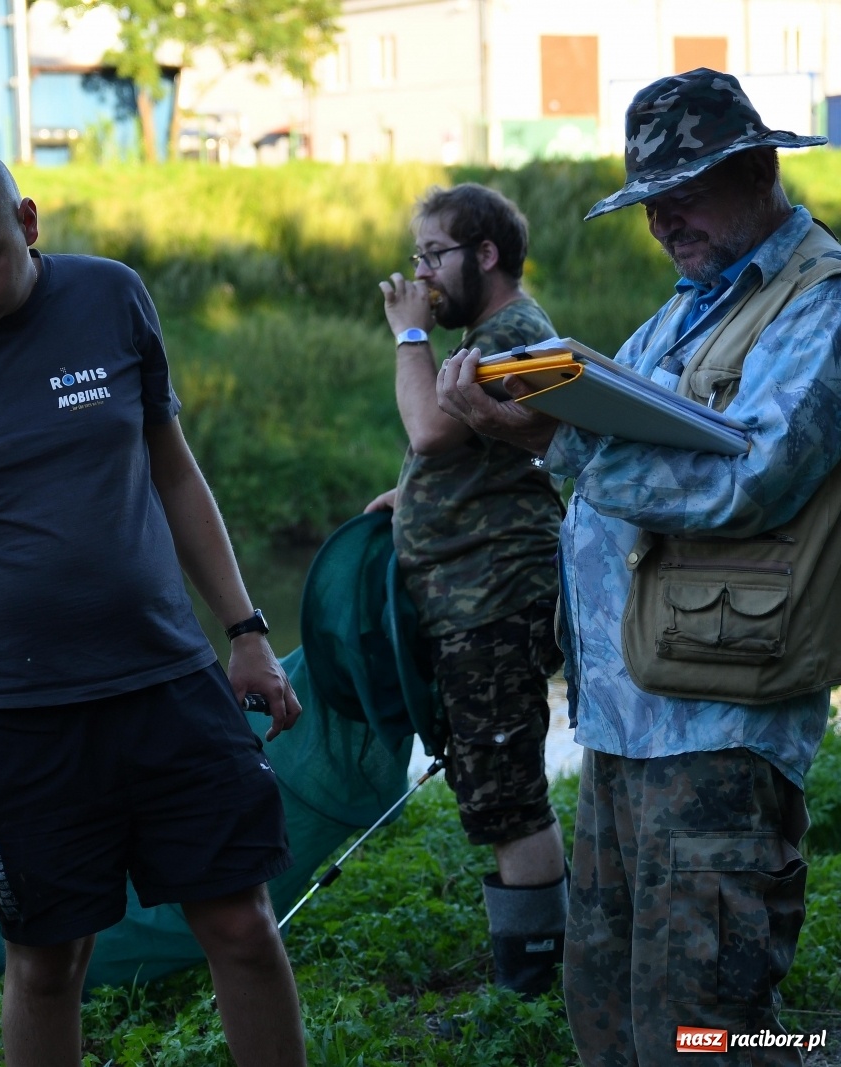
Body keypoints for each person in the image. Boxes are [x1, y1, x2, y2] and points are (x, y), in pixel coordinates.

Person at [0, 147, 307, 1067]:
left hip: (167, 681)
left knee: (244, 924)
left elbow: (174, 470)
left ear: (29, 221)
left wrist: (245, 631)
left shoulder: (111, 297)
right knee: (47, 962)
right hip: (20, 716)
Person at [436, 68, 839, 1065]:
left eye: (684, 192)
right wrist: (531, 415)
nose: (664, 221)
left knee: (704, 1030)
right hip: (624, 726)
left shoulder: (820, 304)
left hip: (717, 726)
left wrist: (546, 442)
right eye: (650, 202)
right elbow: (605, 429)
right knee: (611, 1011)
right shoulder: (687, 305)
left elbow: (752, 476)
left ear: (756, 169)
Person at [367, 183, 568, 998]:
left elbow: (430, 427)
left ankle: (532, 996)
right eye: (418, 258)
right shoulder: (492, 333)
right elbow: (453, 453)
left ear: (485, 254)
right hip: (469, 603)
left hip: (495, 604)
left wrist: (409, 330)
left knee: (509, 796)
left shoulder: (515, 332)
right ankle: (535, 980)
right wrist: (409, 493)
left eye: (434, 256)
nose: (421, 275)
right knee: (495, 791)